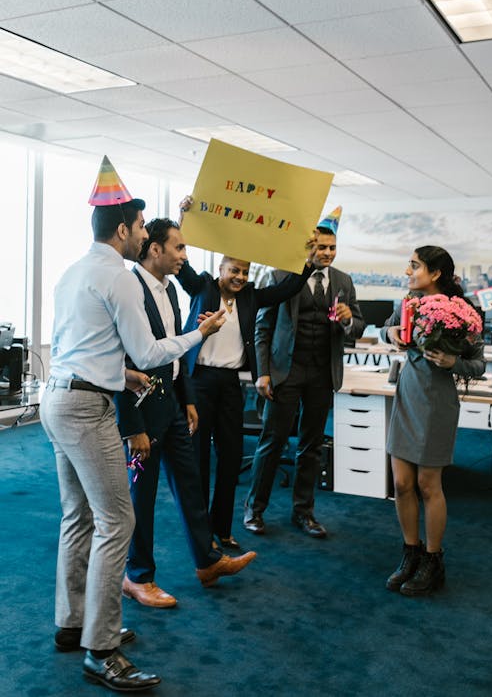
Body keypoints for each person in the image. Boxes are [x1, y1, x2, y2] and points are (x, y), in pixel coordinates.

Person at [40, 156, 225, 693]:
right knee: (117, 521)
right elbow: (148, 350)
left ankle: (72, 625)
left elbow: (79, 348)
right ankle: (102, 649)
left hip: (58, 400)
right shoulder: (118, 278)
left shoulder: (74, 272)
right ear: (122, 230)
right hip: (87, 409)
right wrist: (201, 332)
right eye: (141, 228)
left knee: (79, 519)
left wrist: (123, 375)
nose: (143, 236)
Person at [114, 218, 256, 606]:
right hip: (142, 416)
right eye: (179, 248)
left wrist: (187, 400)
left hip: (173, 408)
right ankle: (137, 576)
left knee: (190, 483)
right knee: (141, 494)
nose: (184, 256)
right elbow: (122, 360)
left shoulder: (169, 290)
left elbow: (176, 352)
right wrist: (132, 427)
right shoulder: (131, 289)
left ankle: (208, 561)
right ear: (155, 249)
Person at [176, 196, 317, 549]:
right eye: (233, 270)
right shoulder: (203, 286)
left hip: (229, 386)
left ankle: (223, 529)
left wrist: (308, 261)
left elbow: (289, 288)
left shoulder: (251, 296)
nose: (239, 277)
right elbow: (183, 267)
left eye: (244, 272)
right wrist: (184, 218)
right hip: (198, 383)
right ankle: (201, 534)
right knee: (199, 460)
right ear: (221, 269)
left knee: (229, 458)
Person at [244, 207, 365, 537]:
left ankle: (304, 512)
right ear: (308, 247)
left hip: (322, 373)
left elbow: (358, 326)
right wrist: (263, 372)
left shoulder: (343, 281)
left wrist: (347, 320)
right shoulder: (281, 275)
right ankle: (254, 509)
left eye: (332, 247)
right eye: (321, 247)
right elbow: (262, 327)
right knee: (272, 442)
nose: (327, 253)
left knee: (311, 447)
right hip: (287, 371)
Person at [381, 246, 485, 597]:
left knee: (428, 484)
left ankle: (432, 560)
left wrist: (450, 361)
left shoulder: (463, 312)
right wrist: (391, 334)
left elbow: (478, 365)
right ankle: (410, 553)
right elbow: (387, 330)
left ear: (435, 273)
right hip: (407, 394)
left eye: (415, 266)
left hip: (438, 400)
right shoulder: (407, 302)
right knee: (401, 483)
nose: (408, 272)